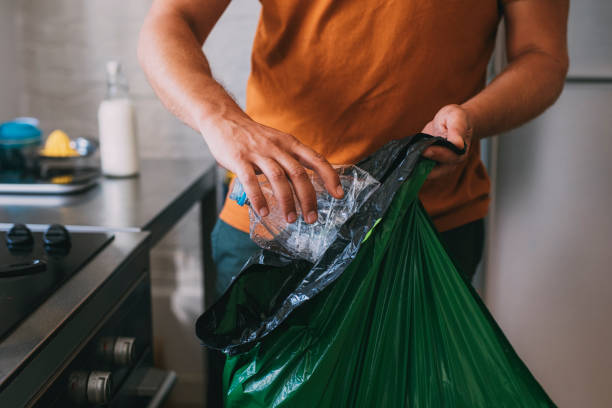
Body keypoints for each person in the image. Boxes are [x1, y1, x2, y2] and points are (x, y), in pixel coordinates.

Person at [138, 0, 568, 403]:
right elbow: (172, 17)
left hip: (424, 237)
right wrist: (221, 119)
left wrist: (471, 119)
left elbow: (541, 55)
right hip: (274, 232)